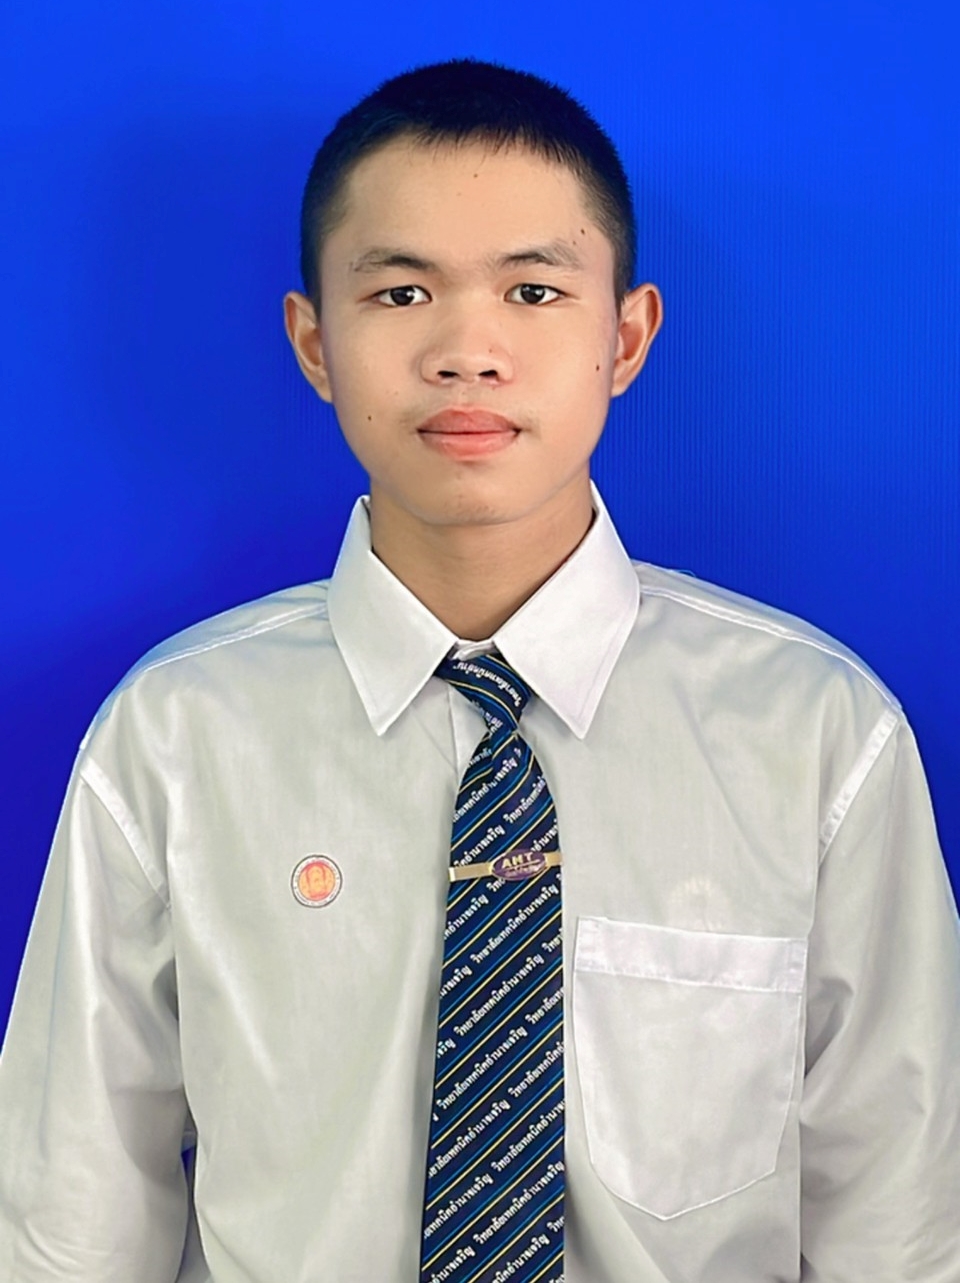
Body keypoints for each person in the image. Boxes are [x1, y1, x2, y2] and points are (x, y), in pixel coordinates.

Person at [1, 57, 958, 1283]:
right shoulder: (176, 734)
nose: (468, 350)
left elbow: (902, 1217)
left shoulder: (818, 733)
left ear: (625, 336)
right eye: (401, 291)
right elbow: (70, 1217)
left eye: (533, 290)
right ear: (314, 341)